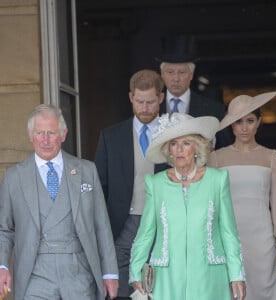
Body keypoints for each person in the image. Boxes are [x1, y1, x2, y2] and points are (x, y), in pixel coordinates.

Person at [0, 104, 118, 300]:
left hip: (79, 273)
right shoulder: (14, 177)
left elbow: (101, 226)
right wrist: (2, 265)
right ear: (30, 135)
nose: (45, 140)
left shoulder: (86, 170)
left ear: (63, 134)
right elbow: (4, 229)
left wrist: (110, 273)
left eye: (52, 133)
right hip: (34, 274)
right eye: (39, 133)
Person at [129, 112, 246, 300]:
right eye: (174, 144)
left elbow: (228, 232)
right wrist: (136, 271)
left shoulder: (217, 180)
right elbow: (146, 233)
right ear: (168, 150)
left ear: (197, 147)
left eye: (186, 143)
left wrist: (236, 275)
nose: (179, 150)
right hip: (167, 276)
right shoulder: (155, 184)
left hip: (208, 275)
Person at [207, 91, 276, 300]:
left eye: (250, 120)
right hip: (227, 239)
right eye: (238, 122)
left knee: (263, 292)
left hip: (262, 240)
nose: (244, 127)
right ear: (231, 125)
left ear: (259, 122)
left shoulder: (273, 157)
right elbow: (212, 205)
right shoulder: (215, 158)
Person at [95, 69, 168, 299]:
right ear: (130, 98)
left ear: (161, 98)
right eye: (139, 102)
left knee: (163, 288)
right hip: (122, 226)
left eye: (150, 102)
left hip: (164, 224)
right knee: (122, 291)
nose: (144, 108)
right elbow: (100, 188)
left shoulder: (173, 136)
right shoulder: (111, 136)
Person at [157, 52, 233, 149]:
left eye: (182, 72)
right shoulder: (149, 107)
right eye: (170, 72)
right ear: (162, 74)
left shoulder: (213, 110)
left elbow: (224, 150)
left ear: (191, 75)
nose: (176, 78)